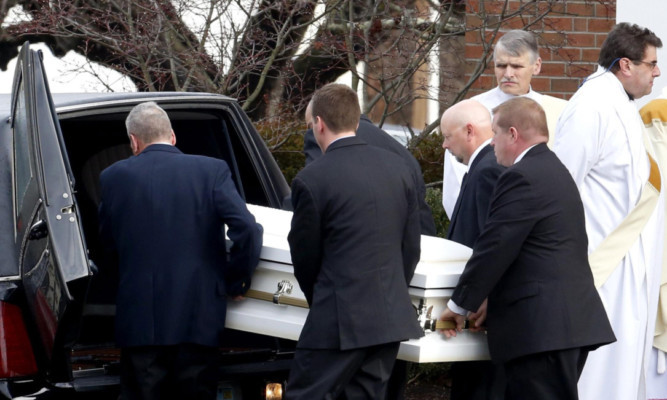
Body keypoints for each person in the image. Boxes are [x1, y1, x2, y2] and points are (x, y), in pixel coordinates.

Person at [439, 97, 615, 400]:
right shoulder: (553, 169)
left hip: (542, 328)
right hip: (563, 324)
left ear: (513, 134)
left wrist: (457, 306)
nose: (491, 143)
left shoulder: (521, 176)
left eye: (495, 134)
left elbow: (494, 245)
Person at [98, 102, 263, 400]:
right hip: (197, 317)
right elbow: (248, 230)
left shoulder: (112, 178)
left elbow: (107, 247)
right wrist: (235, 280)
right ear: (172, 136)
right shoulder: (211, 170)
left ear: (134, 141)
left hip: (140, 320)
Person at [287, 83, 424, 399]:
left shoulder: (312, 179)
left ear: (319, 124)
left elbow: (305, 256)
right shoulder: (399, 168)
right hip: (389, 316)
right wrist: (390, 291)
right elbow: (410, 248)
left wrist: (322, 300)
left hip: (338, 318)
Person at [553, 22, 666, 400]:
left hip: (627, 267)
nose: (658, 72)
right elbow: (560, 187)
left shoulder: (619, 102)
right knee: (599, 375)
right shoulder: (590, 106)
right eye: (651, 64)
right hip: (600, 265)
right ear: (625, 65)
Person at [442, 29, 567, 219]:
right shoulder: (472, 111)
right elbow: (456, 179)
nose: (508, 74)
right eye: (501, 65)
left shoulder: (559, 112)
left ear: (536, 65)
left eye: (516, 66)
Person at [440, 99, 506, 400]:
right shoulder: (487, 165)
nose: (443, 145)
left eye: (447, 136)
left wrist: (477, 297)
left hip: (481, 310)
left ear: (469, 131)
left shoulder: (488, 169)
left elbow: (491, 243)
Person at [303, 103, 437, 236]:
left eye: (310, 125)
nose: (310, 131)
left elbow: (310, 193)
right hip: (416, 243)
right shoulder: (403, 155)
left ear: (319, 123)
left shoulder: (325, 137)